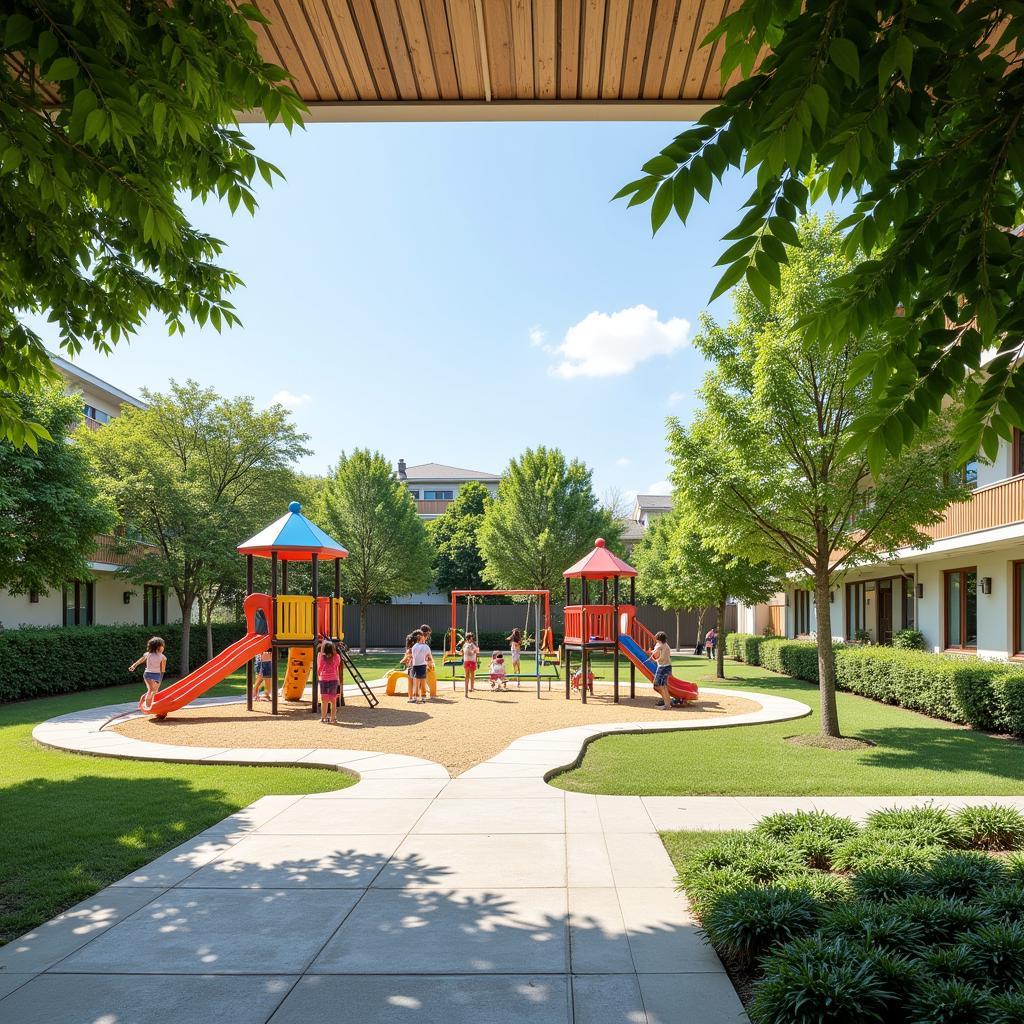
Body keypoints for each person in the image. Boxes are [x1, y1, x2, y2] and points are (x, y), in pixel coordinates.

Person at [130, 636, 166, 710]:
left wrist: (159, 679)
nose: (163, 648)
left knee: (153, 691)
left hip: (153, 675)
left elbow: (162, 670)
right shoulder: (150, 655)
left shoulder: (160, 657)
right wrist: (133, 666)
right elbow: (140, 660)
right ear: (157, 647)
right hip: (151, 675)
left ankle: (143, 704)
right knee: (152, 690)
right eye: (162, 646)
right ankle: (148, 707)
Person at [317, 640, 342, 724]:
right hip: (333, 679)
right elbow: (337, 665)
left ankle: (323, 718)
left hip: (323, 679)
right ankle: (333, 718)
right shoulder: (336, 657)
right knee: (333, 700)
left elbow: (319, 668)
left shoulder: (321, 656)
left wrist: (319, 676)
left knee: (324, 700)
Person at [650, 631, 673, 710]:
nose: (656, 641)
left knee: (661, 685)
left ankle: (667, 705)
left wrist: (655, 660)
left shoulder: (664, 646)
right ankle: (667, 704)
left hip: (664, 667)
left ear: (659, 639)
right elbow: (657, 649)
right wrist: (653, 652)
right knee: (662, 686)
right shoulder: (662, 645)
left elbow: (662, 658)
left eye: (657, 639)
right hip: (665, 667)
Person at [409, 629, 433, 704]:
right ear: (421, 639)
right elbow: (429, 656)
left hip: (415, 665)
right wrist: (431, 664)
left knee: (416, 682)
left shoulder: (414, 647)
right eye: (423, 638)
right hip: (422, 665)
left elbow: (413, 655)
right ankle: (423, 697)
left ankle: (415, 697)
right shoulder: (426, 647)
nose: (425, 640)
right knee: (423, 681)